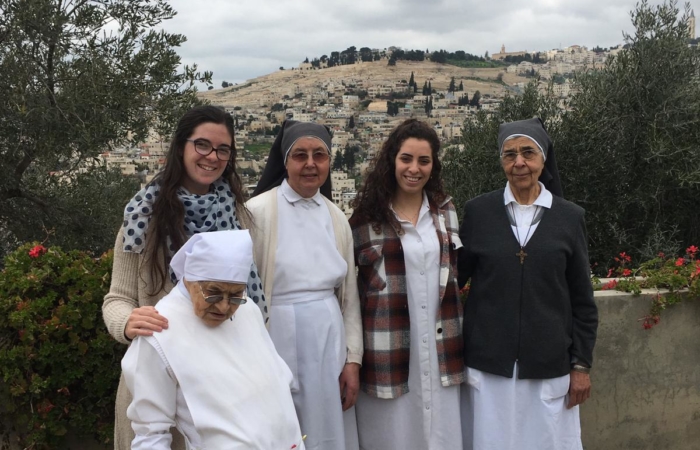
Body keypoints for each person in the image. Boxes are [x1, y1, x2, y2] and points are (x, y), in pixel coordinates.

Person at [102, 105, 267, 450]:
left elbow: (249, 300)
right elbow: (117, 298)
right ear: (182, 147)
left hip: (222, 382)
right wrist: (128, 321)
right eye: (202, 145)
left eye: (223, 149)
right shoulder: (142, 217)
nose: (212, 156)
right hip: (157, 380)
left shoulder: (241, 219)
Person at [457, 117, 598, 450]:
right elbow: (453, 281)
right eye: (509, 154)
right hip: (489, 366)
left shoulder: (569, 217)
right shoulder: (478, 213)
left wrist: (581, 365)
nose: (519, 162)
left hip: (548, 366)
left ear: (543, 159)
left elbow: (582, 301)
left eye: (527, 153)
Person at [121, 229, 304, 449]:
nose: (224, 306)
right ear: (189, 280)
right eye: (213, 292)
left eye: (236, 295)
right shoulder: (159, 330)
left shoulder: (248, 310)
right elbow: (150, 433)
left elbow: (276, 380)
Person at [348, 118, 465, 450]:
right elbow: (350, 293)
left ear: (433, 165)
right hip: (388, 353)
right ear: (392, 161)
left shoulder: (446, 212)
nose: (414, 169)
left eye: (423, 160)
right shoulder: (364, 220)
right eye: (406, 159)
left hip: (441, 351)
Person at [247, 119, 362, 450]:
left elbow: (349, 298)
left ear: (329, 161)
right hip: (274, 337)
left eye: (319, 155)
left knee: (327, 427)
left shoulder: (336, 217)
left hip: (329, 340)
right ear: (285, 162)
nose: (310, 164)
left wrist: (352, 359)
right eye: (300, 155)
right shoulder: (257, 213)